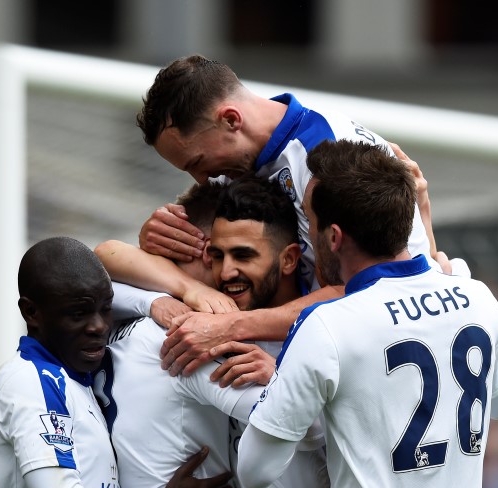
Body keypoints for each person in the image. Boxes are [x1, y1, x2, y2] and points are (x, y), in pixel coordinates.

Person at [237, 140, 498, 488]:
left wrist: (282, 387)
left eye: (310, 222)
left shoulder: (327, 328)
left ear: (333, 236)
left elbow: (255, 470)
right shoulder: (478, 299)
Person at [132, 54, 456, 376]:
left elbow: (372, 290)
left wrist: (234, 328)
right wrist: (156, 238)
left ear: (231, 120)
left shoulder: (327, 160)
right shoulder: (245, 164)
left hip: (389, 362)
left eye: (197, 162)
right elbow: (116, 258)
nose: (202, 178)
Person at [96, 177, 328, 488]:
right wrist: (160, 300)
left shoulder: (321, 340)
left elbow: (349, 438)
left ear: (288, 259)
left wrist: (284, 383)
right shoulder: (203, 332)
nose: (225, 272)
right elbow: (100, 262)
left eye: (244, 255)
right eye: (216, 256)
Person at [0, 237, 232, 488]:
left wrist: (152, 303)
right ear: (31, 312)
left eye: (106, 309)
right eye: (79, 314)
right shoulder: (31, 381)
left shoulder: (75, 379)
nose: (99, 326)